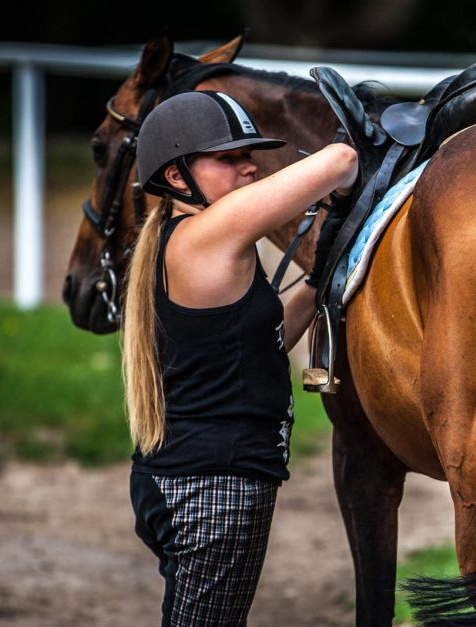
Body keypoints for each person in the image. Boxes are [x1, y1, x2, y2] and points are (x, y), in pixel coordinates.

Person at [123, 90, 357, 626]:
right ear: (178, 177)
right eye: (228, 158)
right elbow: (341, 162)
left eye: (247, 154)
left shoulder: (182, 242)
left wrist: (321, 277)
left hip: (189, 480)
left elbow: (265, 339)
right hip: (215, 492)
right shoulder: (209, 236)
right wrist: (360, 141)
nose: (249, 166)